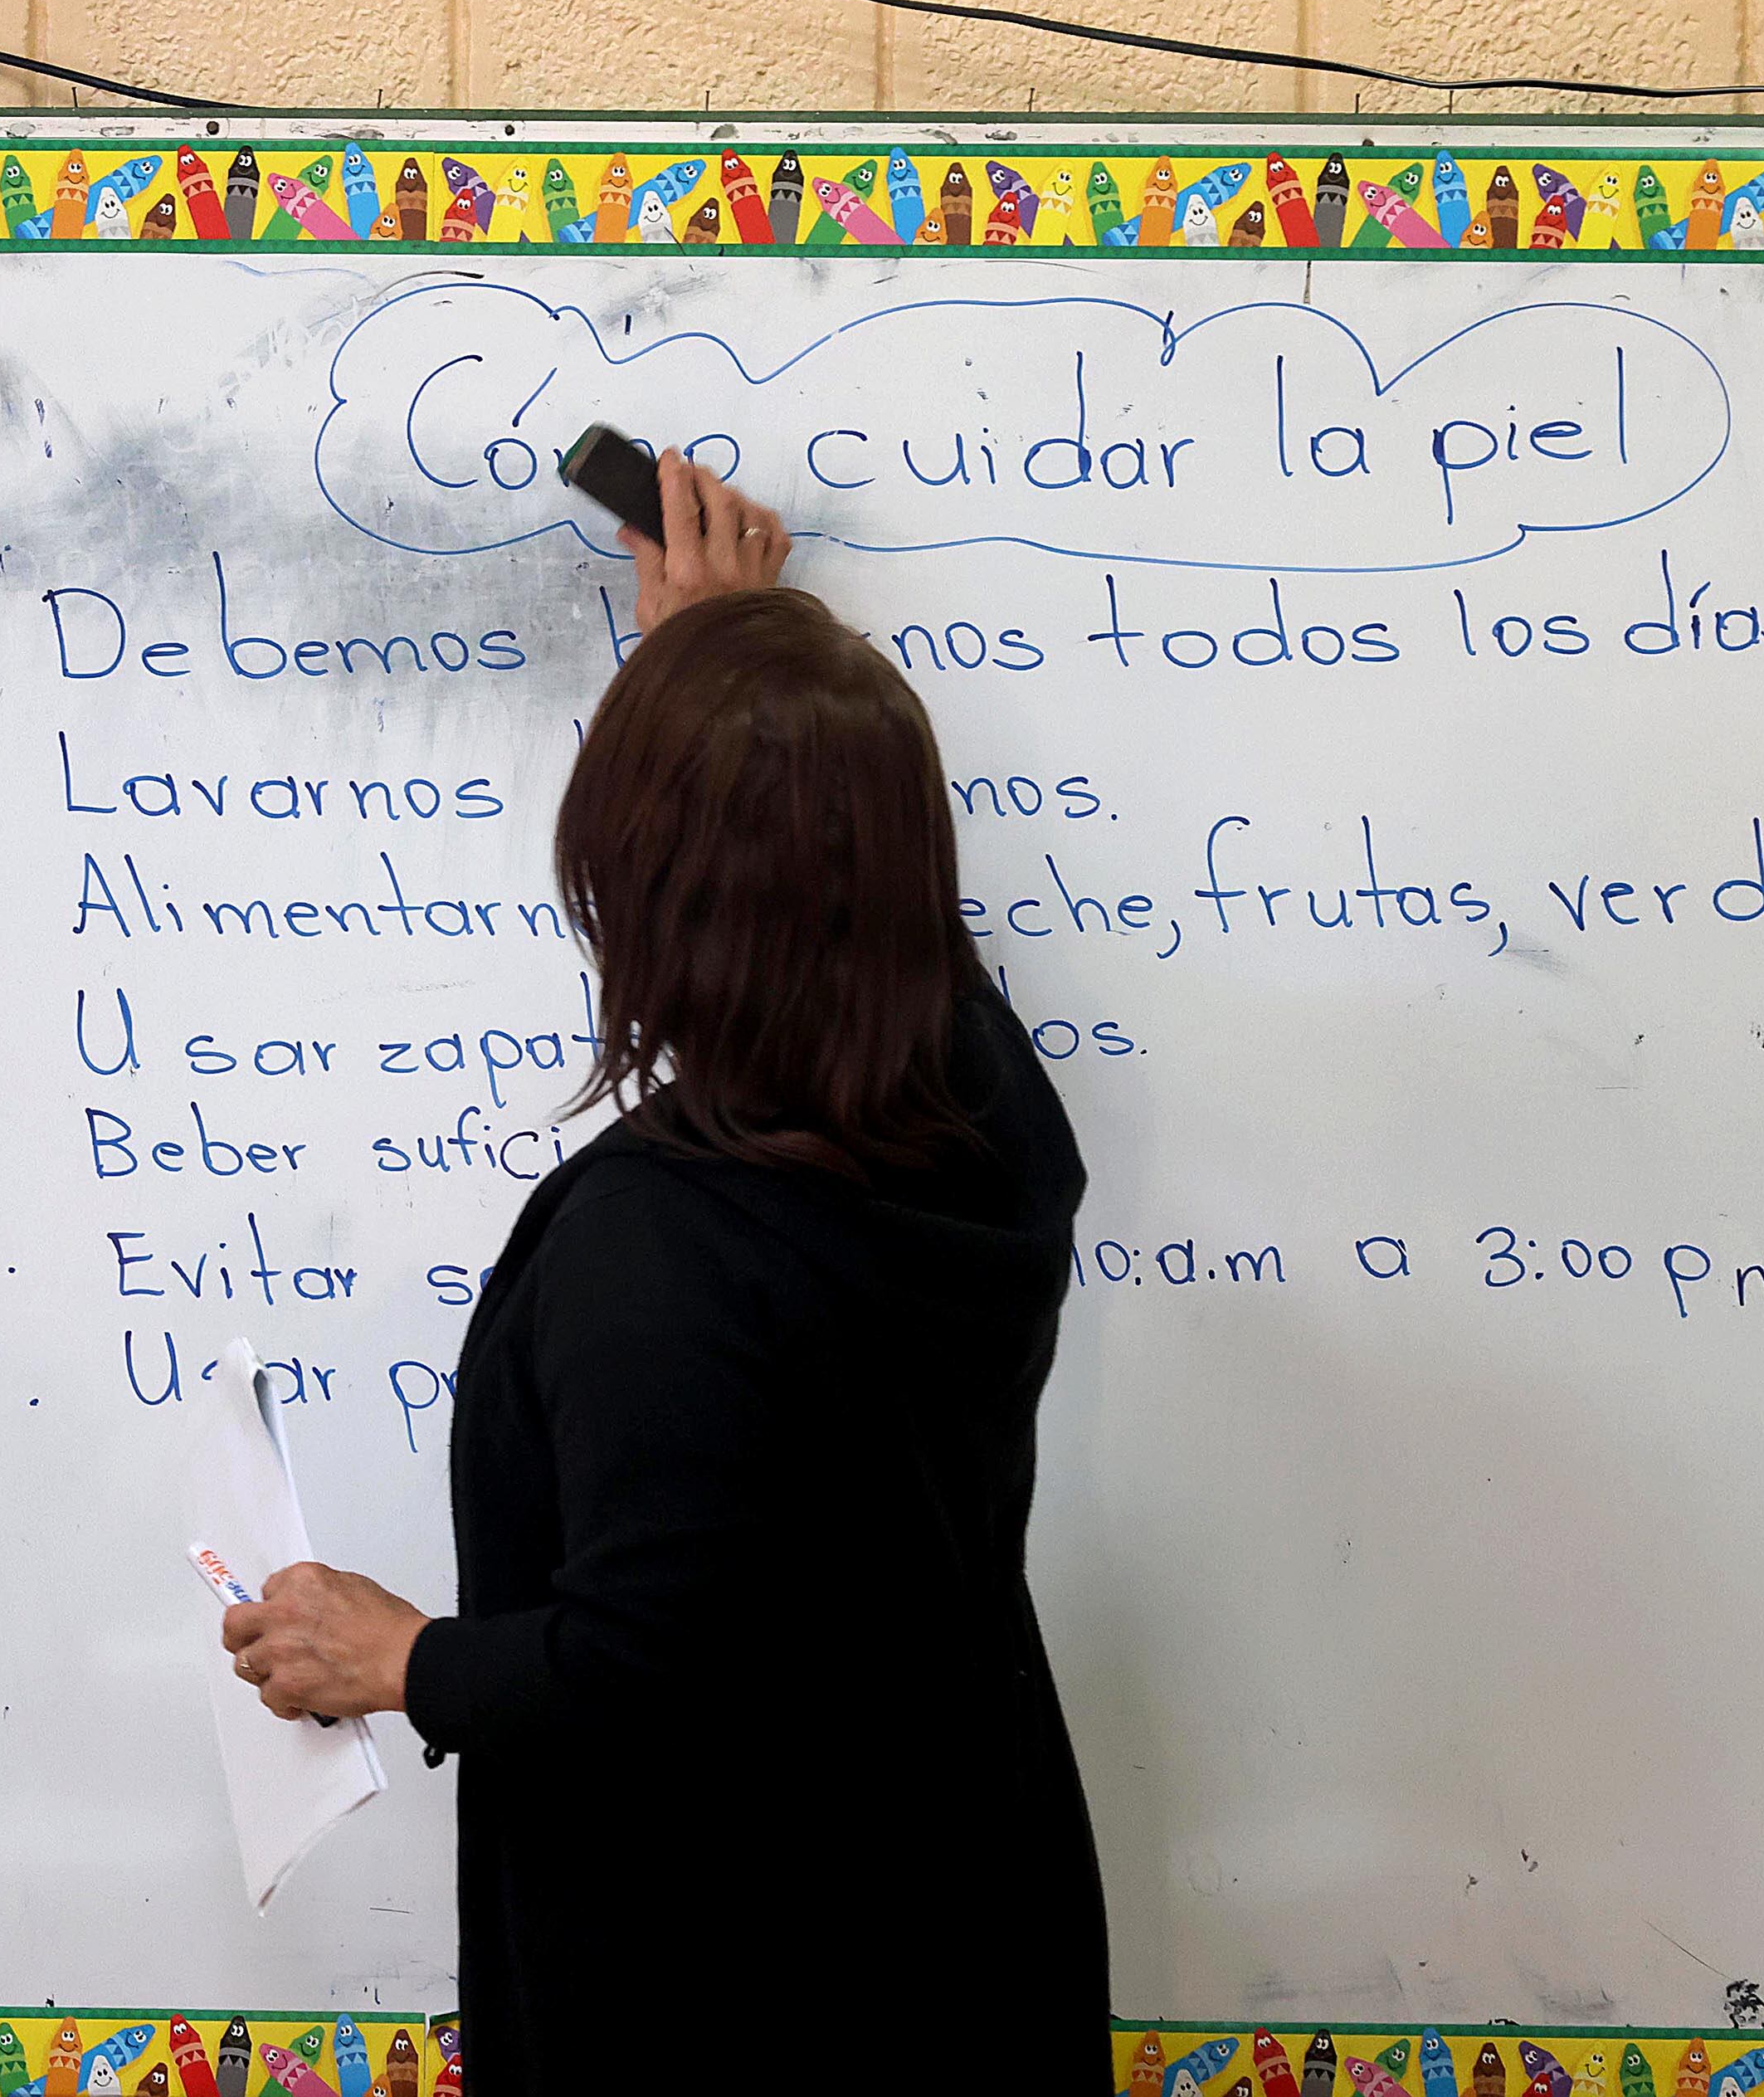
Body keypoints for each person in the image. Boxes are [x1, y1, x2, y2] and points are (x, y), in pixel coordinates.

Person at [219, 455, 1109, 2073]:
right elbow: (893, 926)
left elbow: (661, 1669)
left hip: (731, 1991)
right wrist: (745, 668)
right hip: (971, 1946)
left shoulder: (658, 1245)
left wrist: (397, 1657)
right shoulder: (993, 1147)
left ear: (635, 894)